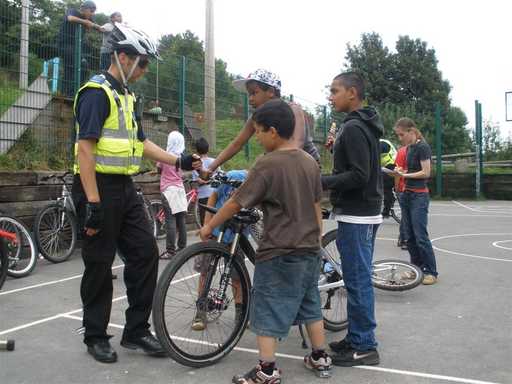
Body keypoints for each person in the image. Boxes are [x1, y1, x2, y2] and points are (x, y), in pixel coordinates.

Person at [71, 23, 201, 364]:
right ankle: (96, 335)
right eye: (141, 63)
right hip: (96, 187)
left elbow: (141, 144)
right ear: (122, 56)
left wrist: (179, 159)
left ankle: (137, 330)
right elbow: (85, 150)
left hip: (125, 189)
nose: (144, 70)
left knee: (144, 253)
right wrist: (93, 203)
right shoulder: (96, 93)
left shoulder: (126, 96)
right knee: (99, 264)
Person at [200, 99, 332, 383]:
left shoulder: (267, 164)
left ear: (273, 131)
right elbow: (315, 204)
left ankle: (267, 370)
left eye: (258, 131)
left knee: (267, 305)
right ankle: (320, 356)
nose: (256, 137)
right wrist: (317, 239)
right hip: (310, 248)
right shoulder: (309, 161)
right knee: (310, 302)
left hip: (279, 250)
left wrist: (210, 224)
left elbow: (236, 202)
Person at [321, 72, 382, 367]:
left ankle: (366, 346)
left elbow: (360, 175)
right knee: (355, 279)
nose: (330, 95)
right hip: (358, 212)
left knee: (357, 280)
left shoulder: (356, 127)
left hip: (358, 214)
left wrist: (323, 181)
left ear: (353, 93)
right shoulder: (358, 125)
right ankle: (356, 338)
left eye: (335, 90)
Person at [205, 69, 320, 174]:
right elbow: (237, 144)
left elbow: (297, 144)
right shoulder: (257, 117)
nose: (250, 99)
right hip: (279, 166)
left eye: (254, 93)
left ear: (270, 91)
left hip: (307, 168)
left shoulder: (293, 109)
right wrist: (210, 168)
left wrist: (265, 164)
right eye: (249, 94)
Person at [192, 169, 247, 331]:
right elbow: (214, 196)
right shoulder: (235, 177)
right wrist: (207, 224)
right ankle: (200, 311)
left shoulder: (256, 183)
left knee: (237, 276)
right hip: (216, 231)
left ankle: (240, 312)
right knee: (205, 271)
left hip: (237, 235)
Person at [393, 118, 438, 285]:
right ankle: (416, 269)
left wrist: (404, 175)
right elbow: (411, 170)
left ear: (412, 131)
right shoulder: (409, 148)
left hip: (419, 196)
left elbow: (426, 172)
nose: (400, 138)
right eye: (398, 135)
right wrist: (399, 171)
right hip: (407, 194)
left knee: (420, 235)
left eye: (401, 134)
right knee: (409, 236)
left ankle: (431, 271)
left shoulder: (423, 147)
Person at [57, 1, 103, 97]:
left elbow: (98, 27)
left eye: (94, 12)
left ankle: (68, 92)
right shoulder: (73, 11)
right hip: (65, 45)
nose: (92, 14)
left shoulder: (88, 18)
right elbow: (70, 18)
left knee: (73, 68)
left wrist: (99, 27)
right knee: (77, 66)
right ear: (84, 9)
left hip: (76, 47)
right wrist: (85, 22)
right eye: (91, 11)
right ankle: (70, 93)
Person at [157, 131, 188, 260]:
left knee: (170, 220)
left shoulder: (164, 156)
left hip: (168, 190)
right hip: (180, 189)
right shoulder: (182, 158)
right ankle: (182, 248)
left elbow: (159, 169)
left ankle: (170, 250)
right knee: (181, 220)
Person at [191, 137, 216, 225]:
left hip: (202, 195)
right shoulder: (214, 161)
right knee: (214, 218)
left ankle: (206, 237)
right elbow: (218, 176)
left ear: (197, 150)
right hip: (214, 194)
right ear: (208, 149)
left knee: (204, 220)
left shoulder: (195, 163)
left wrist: (203, 181)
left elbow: (197, 180)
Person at [394, 145, 409, 249]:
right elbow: (398, 172)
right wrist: (397, 187)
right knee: (407, 214)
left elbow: (397, 172)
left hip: (403, 187)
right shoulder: (404, 151)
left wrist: (396, 187)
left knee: (406, 214)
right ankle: (404, 239)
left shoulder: (401, 151)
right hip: (405, 188)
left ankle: (403, 238)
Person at [380, 138, 398, 218]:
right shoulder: (383, 141)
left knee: (386, 187)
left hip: (391, 166)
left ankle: (386, 211)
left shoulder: (381, 144)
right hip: (389, 166)